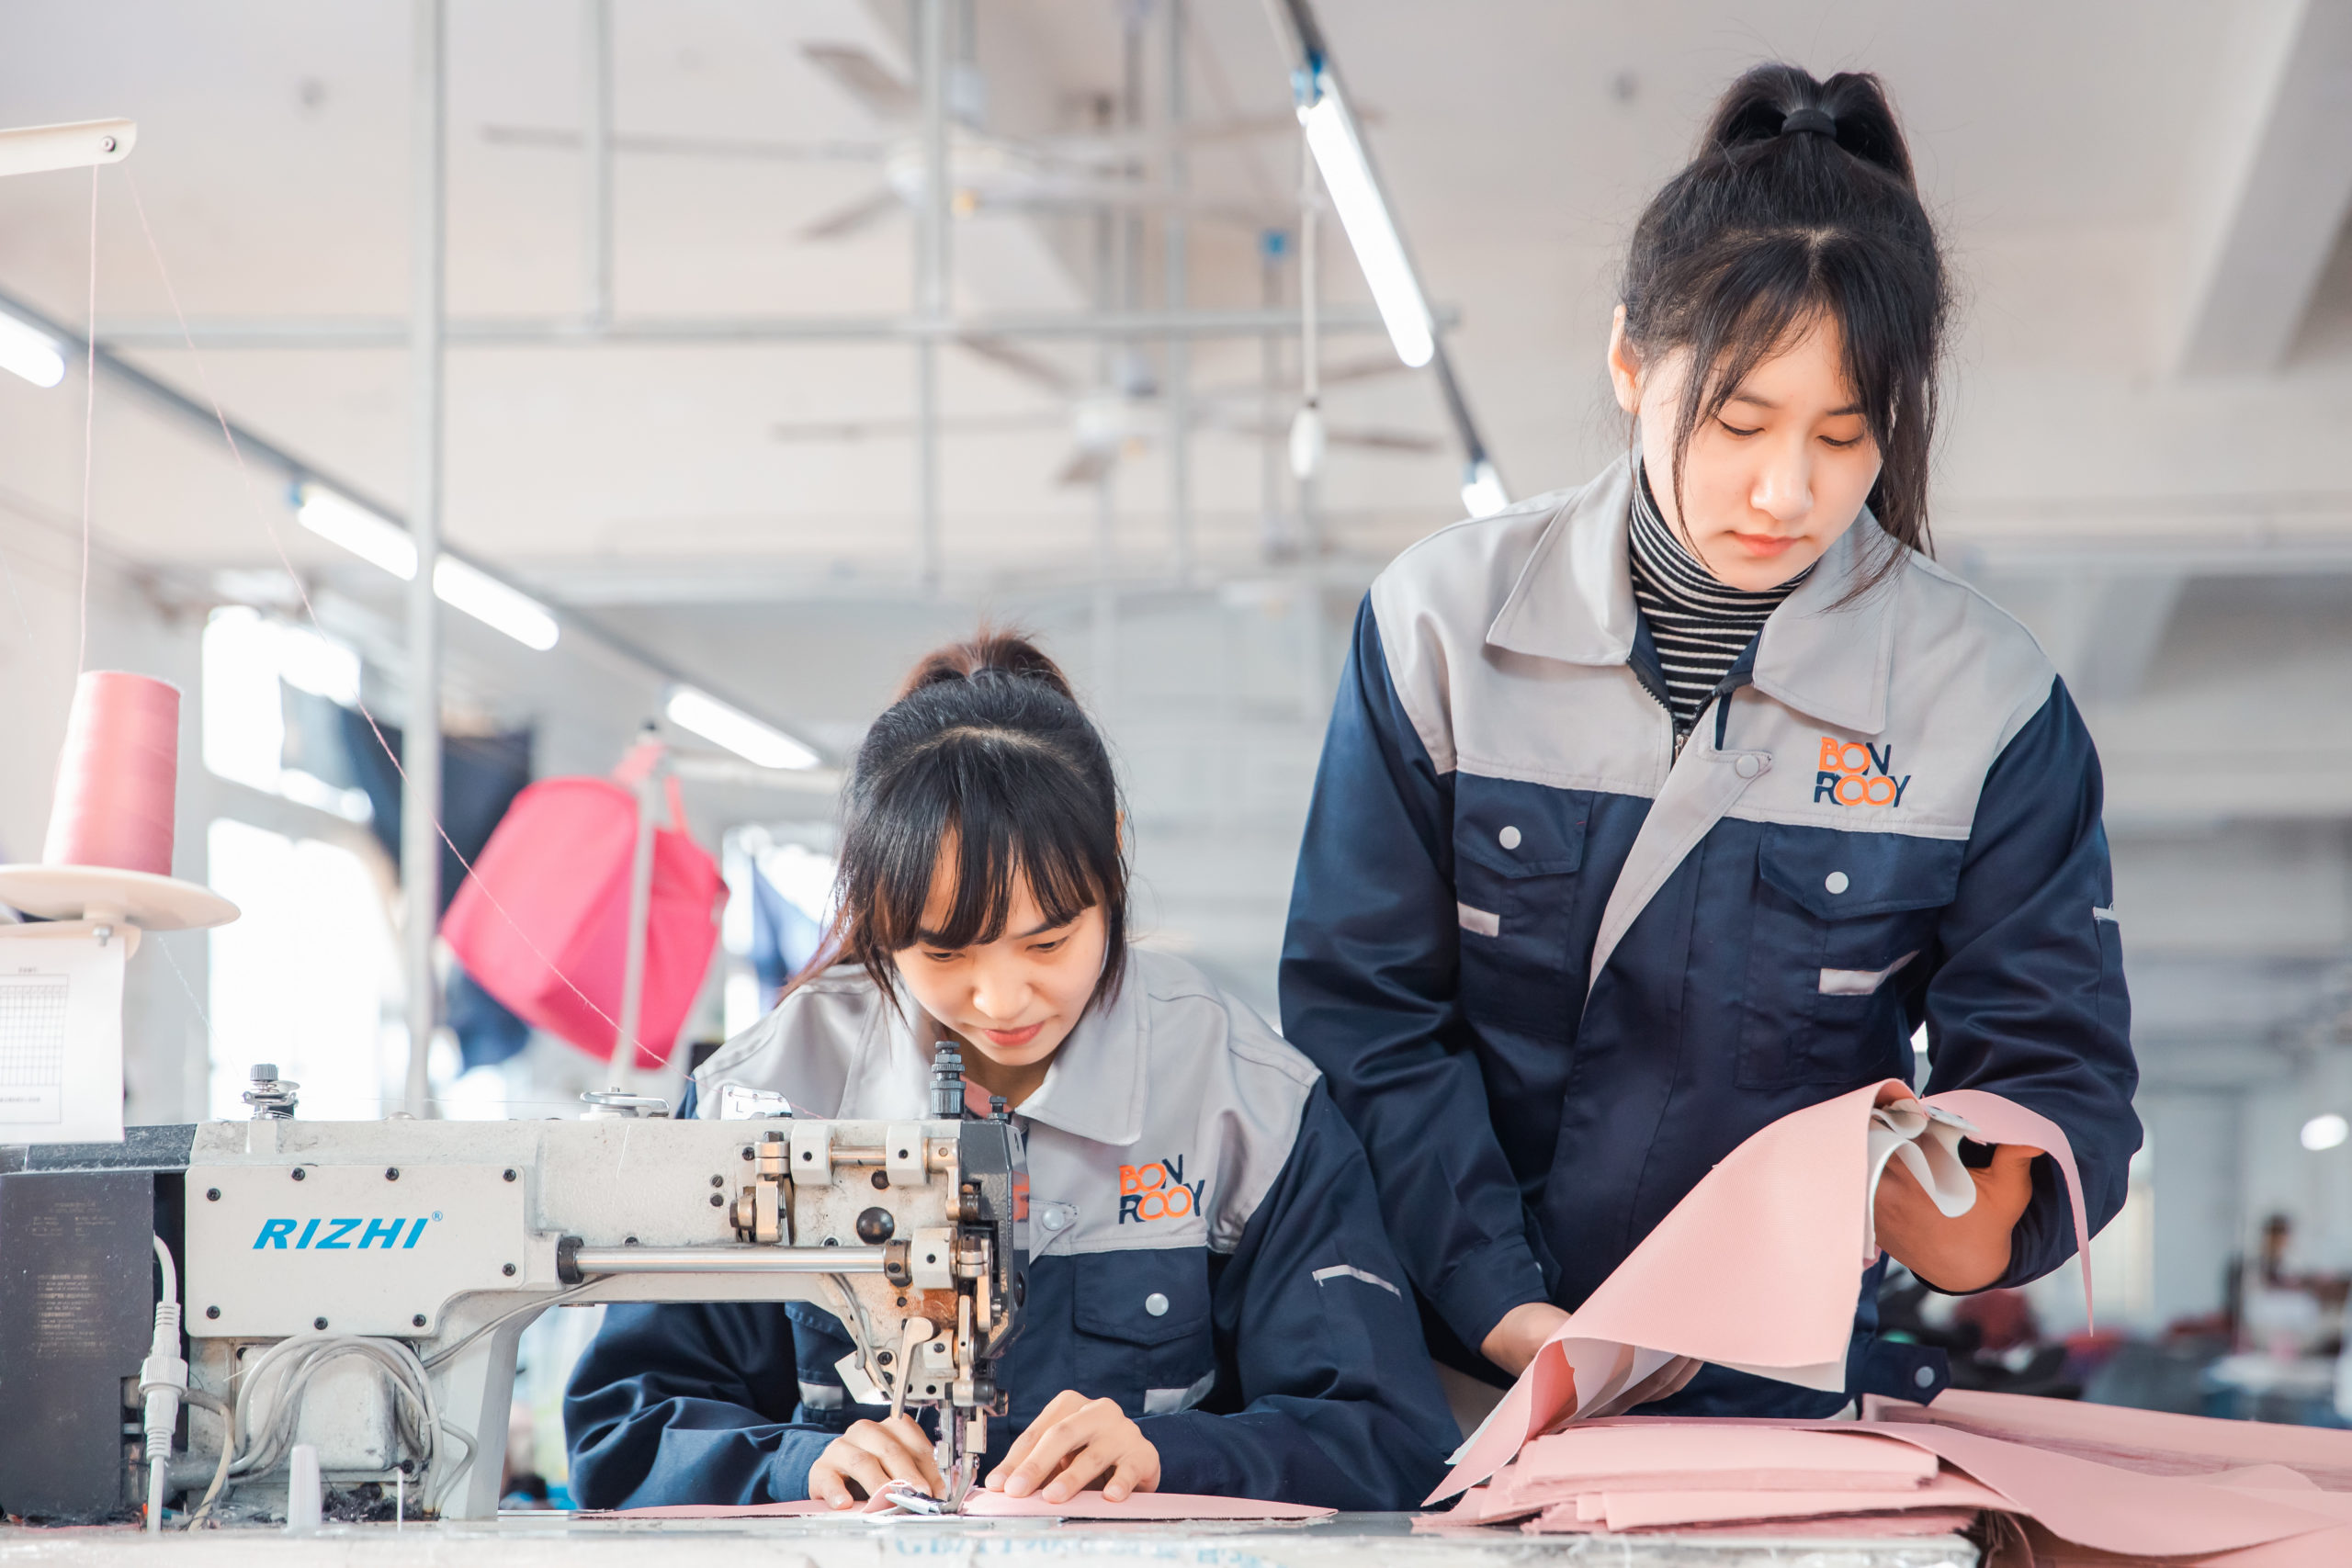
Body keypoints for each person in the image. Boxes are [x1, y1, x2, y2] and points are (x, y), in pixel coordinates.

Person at [1279, 62, 2142, 1419]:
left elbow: (2052, 1066)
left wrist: (1967, 1200)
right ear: (1632, 362)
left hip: (1763, 1402)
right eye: (1740, 422)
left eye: (1846, 436)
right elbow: (1368, 1016)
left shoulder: (1987, 706)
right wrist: (1508, 1312)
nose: (1784, 488)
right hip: (1442, 1369)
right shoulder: (1439, 628)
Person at [566, 633, 1456, 1510]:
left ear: (1110, 858)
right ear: (877, 912)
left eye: (1048, 940)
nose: (1000, 1000)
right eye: (945, 951)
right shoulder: (762, 1097)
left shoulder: (1241, 1101)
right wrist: (802, 1467)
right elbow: (627, 1432)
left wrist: (1170, 1453)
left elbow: (1384, 1437)